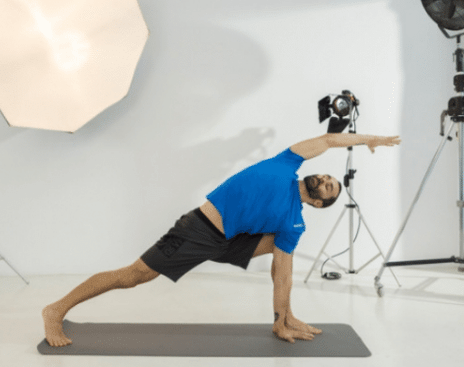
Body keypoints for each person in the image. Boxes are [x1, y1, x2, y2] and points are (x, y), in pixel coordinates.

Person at [42, 132, 401, 347]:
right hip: (199, 230)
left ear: (321, 202)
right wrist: (371, 139)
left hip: (234, 240)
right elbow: (328, 140)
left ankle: (285, 319)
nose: (324, 178)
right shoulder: (286, 163)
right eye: (326, 175)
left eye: (329, 187)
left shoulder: (293, 223)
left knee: (285, 253)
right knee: (135, 275)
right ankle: (56, 309)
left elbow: (283, 272)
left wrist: (279, 314)